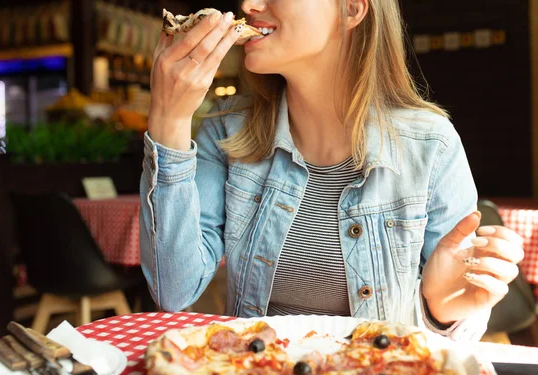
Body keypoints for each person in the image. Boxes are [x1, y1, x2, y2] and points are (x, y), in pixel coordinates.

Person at [139, 0, 524, 340]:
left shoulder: (431, 145)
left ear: (352, 9)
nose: (249, 4)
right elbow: (174, 290)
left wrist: (441, 310)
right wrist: (169, 118)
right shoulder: (226, 128)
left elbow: (455, 329)